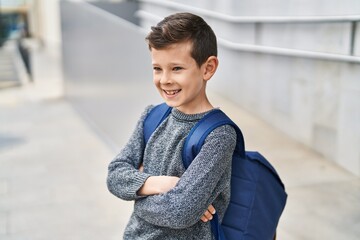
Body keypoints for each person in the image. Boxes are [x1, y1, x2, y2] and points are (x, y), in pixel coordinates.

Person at [107, 12, 236, 239]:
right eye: (158, 68)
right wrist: (158, 183)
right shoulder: (152, 115)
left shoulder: (219, 135)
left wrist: (136, 194)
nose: (165, 79)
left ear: (208, 68)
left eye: (176, 68)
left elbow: (180, 212)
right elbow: (115, 174)